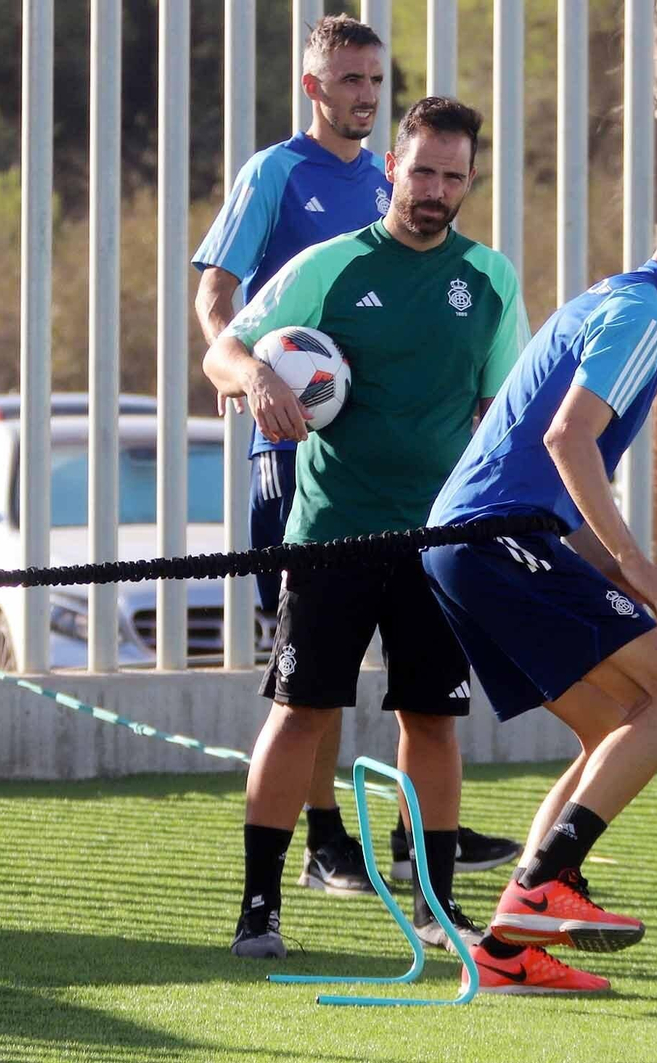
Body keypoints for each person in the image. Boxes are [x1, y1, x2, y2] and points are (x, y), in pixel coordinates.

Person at [192, 16, 518, 913]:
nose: (436, 189)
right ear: (394, 169)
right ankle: (262, 901)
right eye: (422, 172)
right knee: (300, 712)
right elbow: (224, 345)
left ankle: (436, 901)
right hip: (331, 530)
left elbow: (501, 417)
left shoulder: (491, 279)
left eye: (454, 176)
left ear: (469, 180)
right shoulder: (323, 262)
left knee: (435, 721)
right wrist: (256, 374)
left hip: (437, 541)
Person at [422, 186, 657, 993]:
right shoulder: (647, 314)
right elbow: (566, 438)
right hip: (496, 536)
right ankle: (548, 883)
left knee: (616, 724)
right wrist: (637, 563)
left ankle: (507, 950)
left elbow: (554, 470)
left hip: (477, 543)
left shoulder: (613, 299)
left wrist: (606, 568)